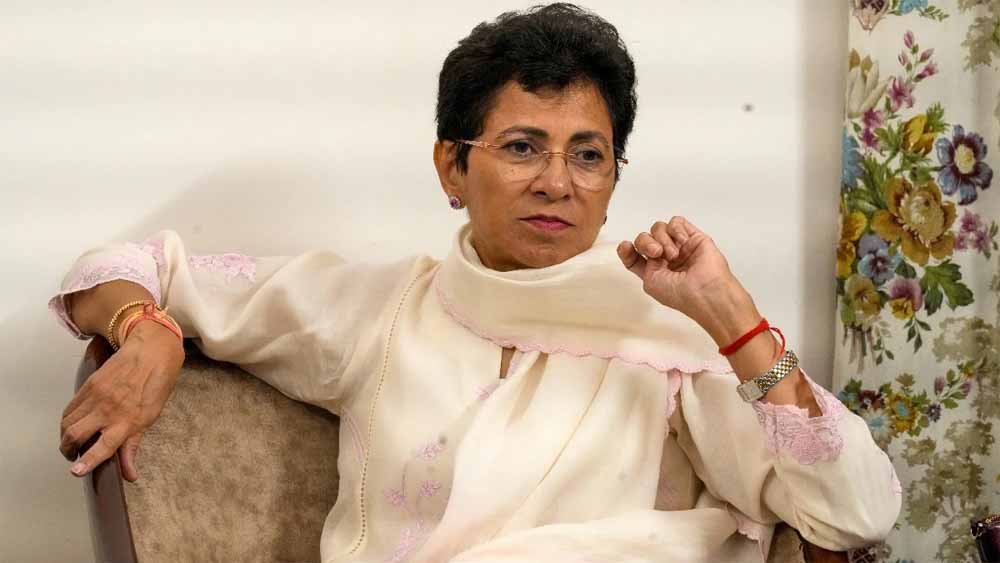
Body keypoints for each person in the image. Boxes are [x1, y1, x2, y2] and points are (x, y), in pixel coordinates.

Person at [51, 4, 901, 562]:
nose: (557, 182)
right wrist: (147, 328)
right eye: (523, 147)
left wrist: (734, 319)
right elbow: (113, 271)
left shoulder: (670, 337)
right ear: (451, 166)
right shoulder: (384, 310)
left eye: (589, 155)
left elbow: (854, 513)